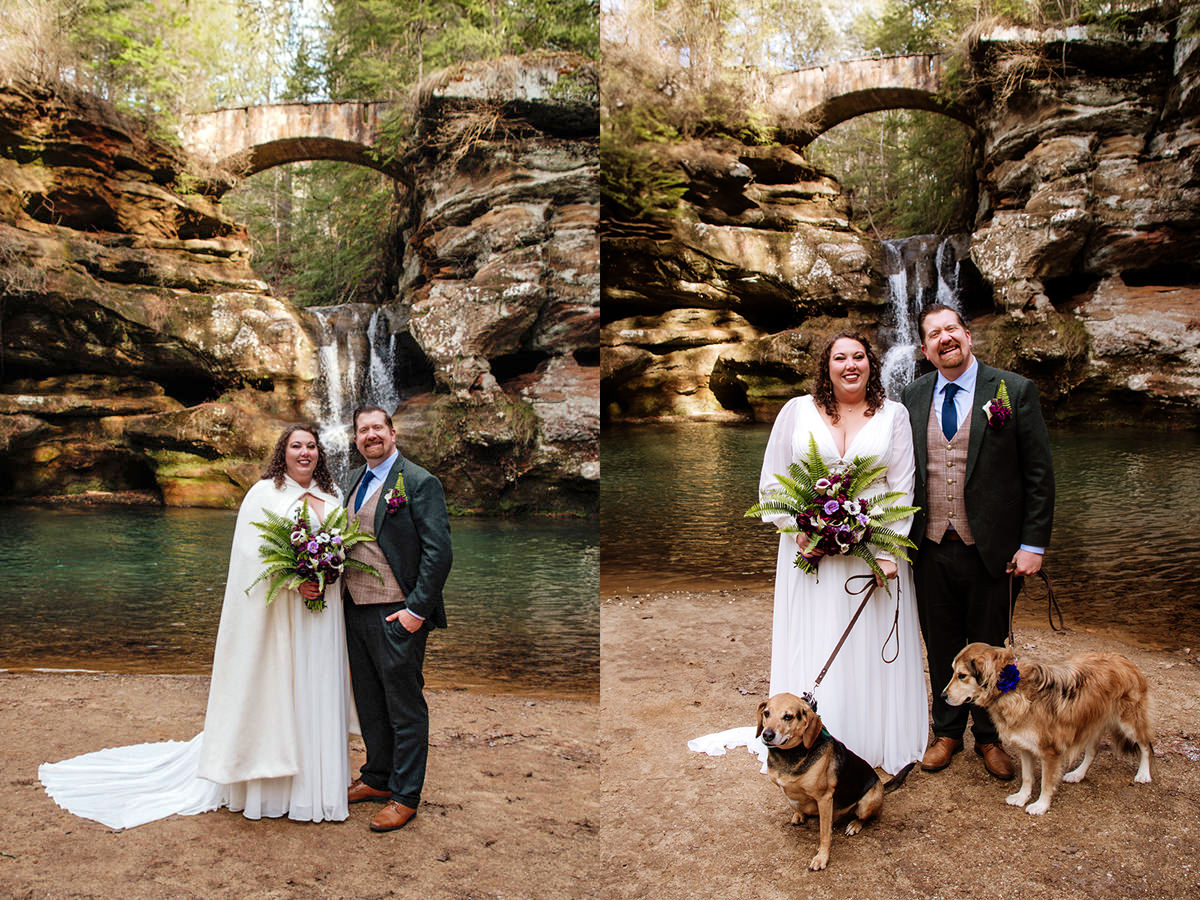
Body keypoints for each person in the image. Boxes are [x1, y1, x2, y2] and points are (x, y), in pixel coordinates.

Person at [38, 425, 352, 829]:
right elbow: (250, 559)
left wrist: (327, 574)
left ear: (319, 453)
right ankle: (278, 790)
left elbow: (346, 548)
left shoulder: (334, 495)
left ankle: (320, 785)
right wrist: (296, 580)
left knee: (317, 690)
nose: (304, 453)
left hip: (324, 616)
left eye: (311, 446)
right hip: (283, 615)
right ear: (283, 453)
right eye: (296, 446)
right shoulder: (263, 494)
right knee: (285, 690)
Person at [689, 332, 927, 776]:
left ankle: (866, 738)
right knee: (814, 635)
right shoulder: (796, 410)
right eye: (841, 357)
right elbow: (773, 482)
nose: (850, 364)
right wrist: (799, 529)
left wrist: (891, 552)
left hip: (871, 551)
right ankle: (800, 735)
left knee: (865, 643)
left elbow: (902, 486)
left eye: (859, 356)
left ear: (871, 365)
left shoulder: (893, 415)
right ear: (827, 366)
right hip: (808, 551)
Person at [900, 303, 1055, 780]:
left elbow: (1038, 474)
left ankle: (992, 738)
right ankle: (947, 733)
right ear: (925, 349)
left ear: (967, 336)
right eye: (933, 335)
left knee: (995, 650)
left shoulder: (1013, 390)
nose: (944, 339)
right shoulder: (911, 396)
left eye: (951, 329)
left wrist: (1033, 544)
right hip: (929, 549)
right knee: (940, 642)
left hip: (995, 553)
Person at [340, 404, 452, 832]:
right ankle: (378, 778)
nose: (370, 435)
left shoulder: (420, 482)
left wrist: (416, 611)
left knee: (404, 706)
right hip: (356, 610)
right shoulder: (355, 480)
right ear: (355, 439)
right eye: (362, 430)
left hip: (397, 612)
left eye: (377, 428)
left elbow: (438, 553)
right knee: (370, 701)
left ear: (391, 432)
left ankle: (406, 795)